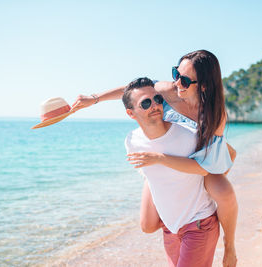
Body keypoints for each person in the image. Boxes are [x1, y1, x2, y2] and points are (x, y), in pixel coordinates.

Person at [71, 50, 238, 267]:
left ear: (204, 86)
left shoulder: (213, 114)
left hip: (201, 150)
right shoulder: (168, 90)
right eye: (175, 73)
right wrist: (94, 99)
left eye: (185, 80)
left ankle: (229, 246)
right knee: (148, 225)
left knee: (223, 192)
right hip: (170, 139)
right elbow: (133, 92)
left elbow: (209, 162)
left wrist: (161, 159)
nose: (177, 82)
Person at [123, 77, 220, 266]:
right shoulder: (132, 141)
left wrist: (160, 158)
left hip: (199, 223)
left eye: (158, 99)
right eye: (145, 103)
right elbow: (150, 177)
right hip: (170, 227)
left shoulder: (189, 135)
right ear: (131, 113)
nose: (154, 105)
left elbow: (206, 169)